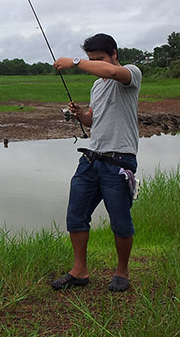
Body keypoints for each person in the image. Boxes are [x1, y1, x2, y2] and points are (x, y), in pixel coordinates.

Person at [50, 33, 142, 292]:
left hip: (119, 161)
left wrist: (75, 61)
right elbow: (93, 120)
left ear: (114, 53)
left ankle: (122, 272)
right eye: (92, 60)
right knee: (76, 216)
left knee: (120, 221)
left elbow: (112, 73)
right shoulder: (97, 85)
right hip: (91, 159)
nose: (95, 65)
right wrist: (81, 114)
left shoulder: (130, 73)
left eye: (99, 59)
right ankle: (79, 271)